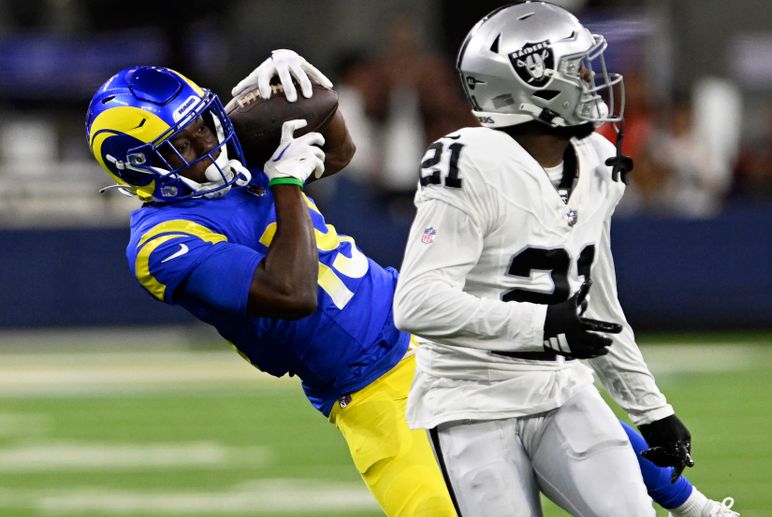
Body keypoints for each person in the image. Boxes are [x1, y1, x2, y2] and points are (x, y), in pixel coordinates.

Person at [85, 49, 735, 517]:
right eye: (187, 139)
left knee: (568, 404)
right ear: (142, 166)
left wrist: (310, 87)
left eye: (204, 121)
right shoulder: (163, 245)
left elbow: (338, 152)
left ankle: (700, 508)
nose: (211, 140)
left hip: (425, 329)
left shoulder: (224, 154)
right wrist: (283, 180)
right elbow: (291, 290)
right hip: (369, 392)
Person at [393, 1, 739, 517]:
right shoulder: (472, 162)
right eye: (576, 68)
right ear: (532, 82)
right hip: (471, 399)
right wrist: (542, 325)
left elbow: (596, 306)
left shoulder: (598, 161)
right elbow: (416, 304)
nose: (593, 81)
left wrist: (652, 410)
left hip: (561, 388)